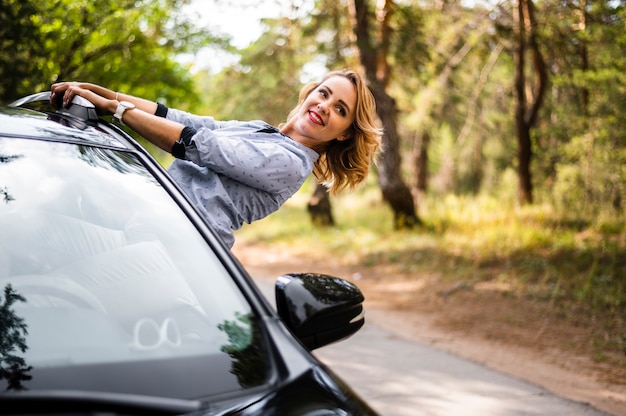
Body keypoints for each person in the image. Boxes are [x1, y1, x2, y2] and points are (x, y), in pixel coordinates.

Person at [50, 69, 382, 248]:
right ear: (310, 94)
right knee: (43, 234)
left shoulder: (292, 163)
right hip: (145, 225)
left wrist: (116, 110)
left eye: (340, 109)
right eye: (324, 93)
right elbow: (189, 120)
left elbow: (197, 143)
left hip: (178, 248)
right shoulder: (262, 131)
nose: (325, 106)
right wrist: (103, 92)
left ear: (343, 133)